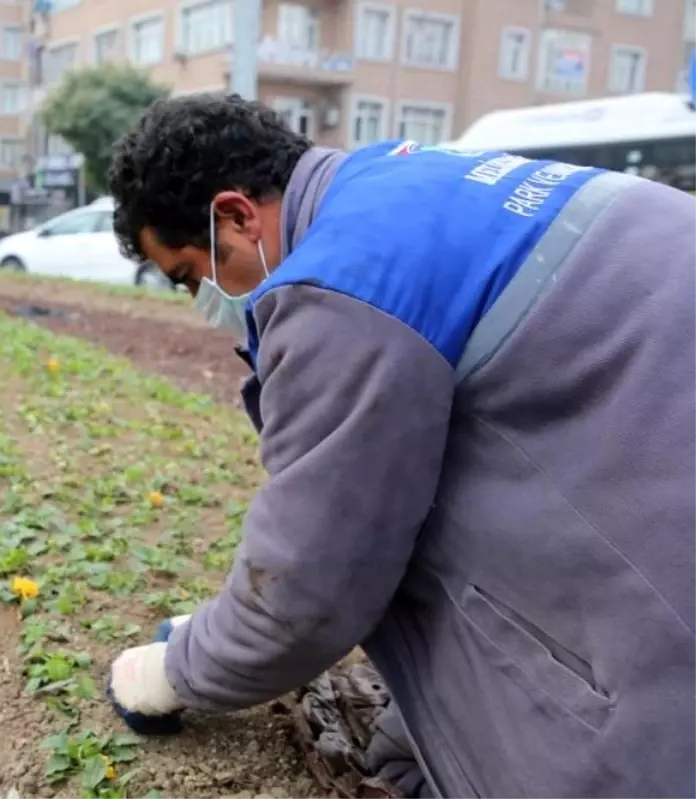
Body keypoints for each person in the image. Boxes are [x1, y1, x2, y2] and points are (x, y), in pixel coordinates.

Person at [103, 92, 696, 799]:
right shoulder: (395, 175)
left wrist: (178, 670)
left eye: (195, 272)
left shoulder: (343, 286)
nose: (206, 293)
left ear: (235, 213)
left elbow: (311, 582)